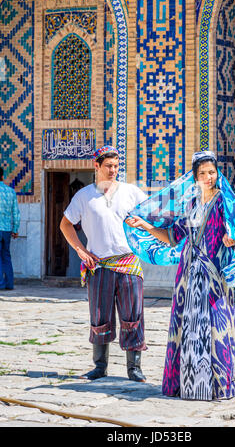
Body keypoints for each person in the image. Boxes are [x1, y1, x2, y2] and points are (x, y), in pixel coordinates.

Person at [125, 151, 235, 400]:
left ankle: (219, 386)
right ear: (194, 177)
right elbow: (173, 237)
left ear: (217, 173)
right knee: (188, 327)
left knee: (215, 326)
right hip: (187, 274)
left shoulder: (224, 201)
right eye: (202, 173)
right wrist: (145, 226)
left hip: (214, 274)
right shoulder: (191, 204)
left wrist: (232, 240)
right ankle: (189, 386)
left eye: (211, 172)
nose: (208, 177)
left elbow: (234, 230)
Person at [60, 146, 148, 382]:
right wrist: (80, 250)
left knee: (133, 315)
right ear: (96, 166)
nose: (113, 170)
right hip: (99, 265)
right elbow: (65, 225)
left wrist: (145, 227)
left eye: (117, 166)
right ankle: (100, 366)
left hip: (129, 264)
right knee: (99, 316)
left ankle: (134, 368)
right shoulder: (84, 196)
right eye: (109, 166)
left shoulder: (131, 192)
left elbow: (152, 214)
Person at [0, 167, 20, 290]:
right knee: (6, 256)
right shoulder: (10, 192)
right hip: (6, 230)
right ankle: (9, 284)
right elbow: (16, 213)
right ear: (2, 176)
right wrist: (15, 229)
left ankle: (1, 284)